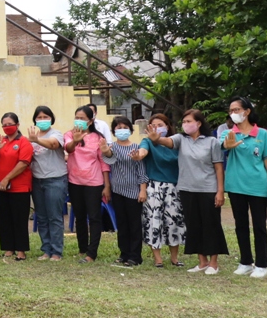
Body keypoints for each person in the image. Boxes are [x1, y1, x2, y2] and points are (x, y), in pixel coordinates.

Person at [148, 109, 227, 274]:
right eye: (184, 122)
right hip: (186, 189)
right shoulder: (181, 139)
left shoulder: (212, 141)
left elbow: (219, 168)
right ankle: (202, 261)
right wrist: (157, 139)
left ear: (198, 123)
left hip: (208, 189)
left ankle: (213, 263)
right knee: (194, 225)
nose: (186, 124)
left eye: (189, 121)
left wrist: (220, 191)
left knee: (211, 225)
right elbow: (167, 141)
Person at [219, 97, 267, 278]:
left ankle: (262, 265)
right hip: (236, 186)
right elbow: (222, 145)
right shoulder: (228, 133)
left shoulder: (262, 134)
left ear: (247, 111)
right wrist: (227, 145)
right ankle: (245, 262)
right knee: (241, 225)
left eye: (237, 110)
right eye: (231, 111)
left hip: (258, 186)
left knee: (259, 226)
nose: (233, 113)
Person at [132, 113, 186, 268]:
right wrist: (138, 156)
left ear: (167, 126)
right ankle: (158, 259)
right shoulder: (147, 141)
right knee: (153, 221)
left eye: (160, 125)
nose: (157, 128)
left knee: (174, 222)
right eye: (153, 125)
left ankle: (174, 258)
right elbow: (143, 151)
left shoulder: (175, 142)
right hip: (154, 187)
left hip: (174, 187)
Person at [64, 106, 111, 264]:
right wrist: (75, 140)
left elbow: (103, 162)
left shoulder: (98, 137)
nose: (79, 121)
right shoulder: (69, 134)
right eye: (77, 117)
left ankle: (92, 253)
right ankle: (82, 248)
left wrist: (107, 185)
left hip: (94, 182)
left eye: (82, 118)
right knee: (79, 216)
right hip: (74, 181)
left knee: (94, 217)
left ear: (90, 121)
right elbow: (68, 148)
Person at [103, 116, 147, 267]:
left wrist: (142, 190)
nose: (122, 130)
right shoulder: (112, 148)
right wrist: (105, 150)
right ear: (114, 131)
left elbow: (141, 171)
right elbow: (109, 158)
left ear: (130, 130)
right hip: (117, 191)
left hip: (134, 192)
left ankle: (135, 256)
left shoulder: (136, 148)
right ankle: (124, 254)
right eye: (118, 128)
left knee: (134, 225)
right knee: (122, 225)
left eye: (125, 127)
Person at [27, 106, 68, 261]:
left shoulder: (56, 134)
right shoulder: (32, 137)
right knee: (42, 217)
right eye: (39, 117)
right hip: (37, 180)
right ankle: (46, 250)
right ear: (35, 120)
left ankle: (56, 251)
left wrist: (36, 140)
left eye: (46, 117)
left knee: (54, 217)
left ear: (51, 119)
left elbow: (53, 145)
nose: (42, 120)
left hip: (55, 179)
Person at [0, 112, 33, 261]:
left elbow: (23, 163)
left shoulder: (24, 142)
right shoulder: (0, 140)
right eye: (4, 125)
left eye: (10, 124)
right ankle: (8, 248)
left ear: (17, 125)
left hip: (19, 187)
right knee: (4, 218)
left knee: (19, 219)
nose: (7, 127)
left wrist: (7, 178)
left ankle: (21, 250)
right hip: (2, 187)